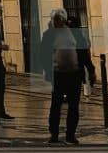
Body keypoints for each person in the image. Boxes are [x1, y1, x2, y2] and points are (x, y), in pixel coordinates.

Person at [41, 8, 83, 145]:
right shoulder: (49, 34)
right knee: (56, 105)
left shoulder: (74, 32)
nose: (56, 22)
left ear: (63, 20)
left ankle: (70, 135)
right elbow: (44, 54)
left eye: (58, 19)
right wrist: (48, 72)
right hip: (58, 74)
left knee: (73, 106)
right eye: (54, 19)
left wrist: (90, 70)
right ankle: (54, 134)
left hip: (74, 74)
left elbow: (82, 52)